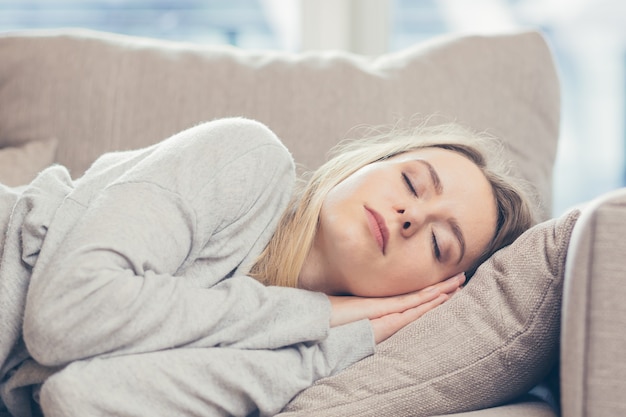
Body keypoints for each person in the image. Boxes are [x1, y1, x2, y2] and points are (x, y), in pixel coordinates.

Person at [0, 117, 534, 417]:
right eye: (412, 182)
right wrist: (320, 311)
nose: (410, 215)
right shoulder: (249, 158)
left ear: (428, 293)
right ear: (366, 164)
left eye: (440, 244)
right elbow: (68, 315)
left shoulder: (299, 353)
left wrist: (327, 342)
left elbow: (80, 398)